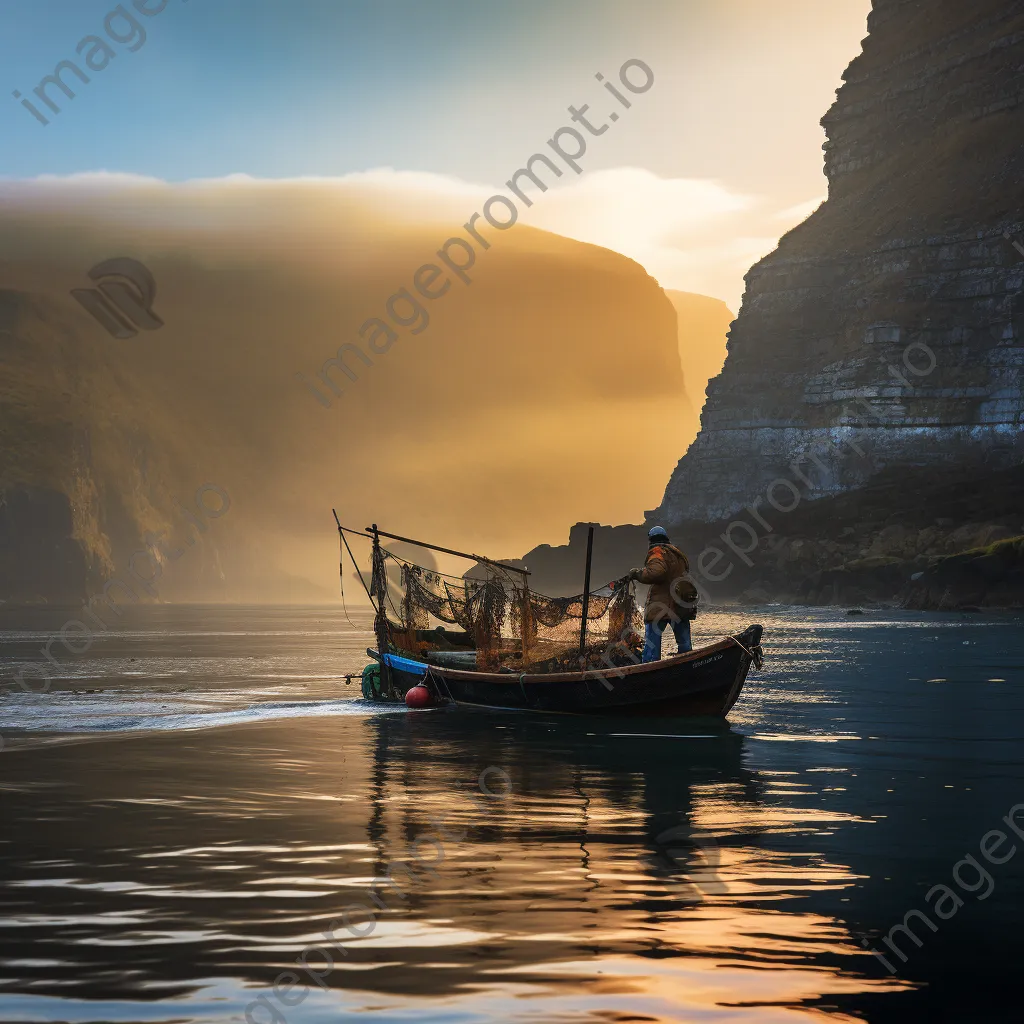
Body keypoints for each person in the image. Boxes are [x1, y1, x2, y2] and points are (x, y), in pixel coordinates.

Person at [628, 526, 697, 662]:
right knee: (685, 646)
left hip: (661, 606)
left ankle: (649, 670)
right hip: (680, 604)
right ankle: (688, 667)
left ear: (651, 539)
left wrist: (637, 573)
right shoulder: (677, 554)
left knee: (652, 646)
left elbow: (656, 572)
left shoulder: (657, 552)